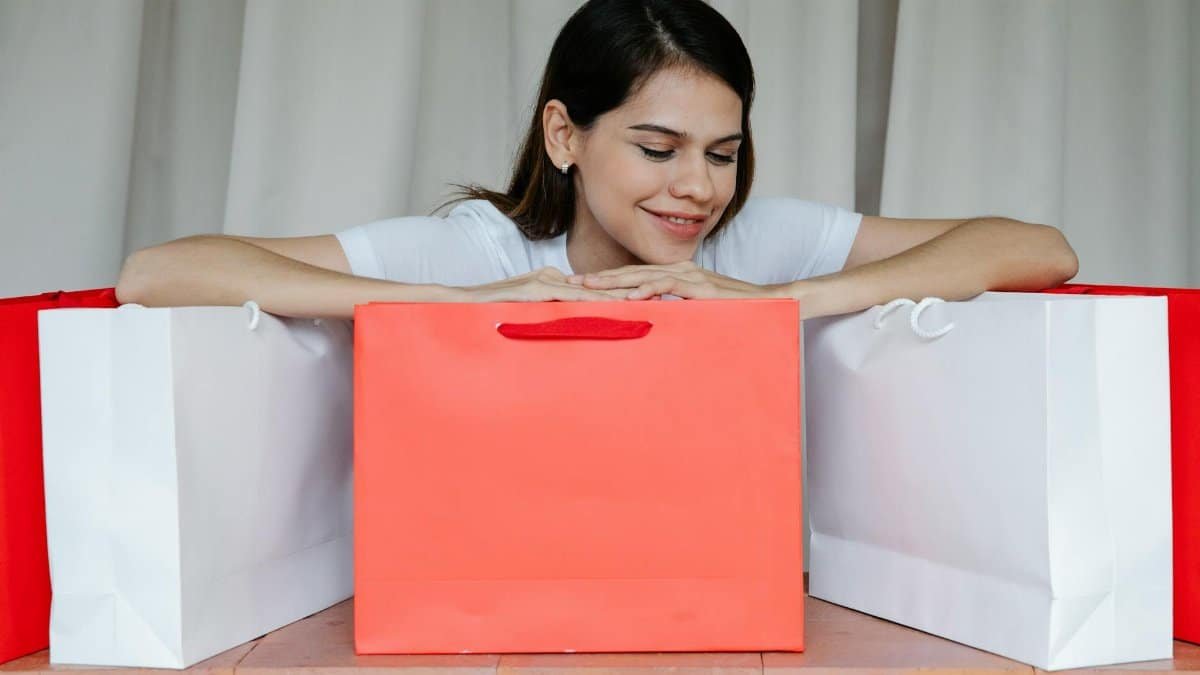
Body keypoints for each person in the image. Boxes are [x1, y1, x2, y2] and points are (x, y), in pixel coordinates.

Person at [115, 0, 1077, 320]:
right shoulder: (482, 252)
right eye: (657, 149)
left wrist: (779, 305)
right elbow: (157, 272)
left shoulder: (755, 241)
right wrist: (462, 312)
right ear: (565, 135)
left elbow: (1039, 247)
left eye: (724, 153)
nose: (697, 187)